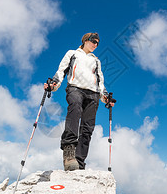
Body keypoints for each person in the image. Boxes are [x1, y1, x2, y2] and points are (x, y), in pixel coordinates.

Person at [44, 32, 115, 171]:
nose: (95, 44)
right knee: (75, 110)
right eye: (93, 41)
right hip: (75, 88)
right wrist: (54, 84)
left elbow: (100, 82)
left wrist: (105, 97)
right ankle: (69, 153)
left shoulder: (96, 61)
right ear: (85, 40)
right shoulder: (72, 54)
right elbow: (61, 71)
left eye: (97, 43)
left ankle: (80, 161)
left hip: (93, 93)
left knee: (88, 127)